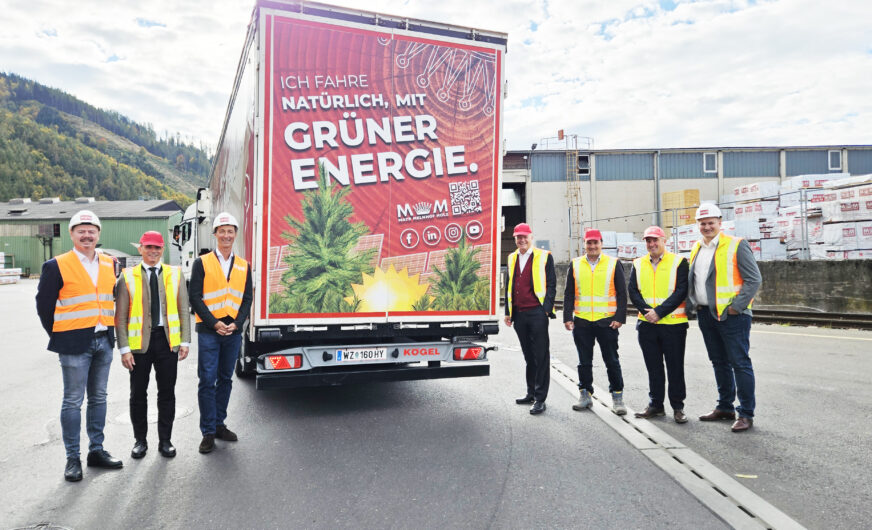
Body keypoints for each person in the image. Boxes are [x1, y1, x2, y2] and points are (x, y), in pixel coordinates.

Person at [35, 210, 123, 482]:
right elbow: (44, 306)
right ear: (72, 234)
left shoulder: (111, 264)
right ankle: (72, 458)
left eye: (92, 230)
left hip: (103, 341)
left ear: (98, 234)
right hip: (73, 343)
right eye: (81, 230)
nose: (87, 235)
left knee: (99, 398)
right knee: (73, 401)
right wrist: (61, 334)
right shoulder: (56, 265)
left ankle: (96, 451)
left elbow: (111, 299)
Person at [115, 231, 191, 459]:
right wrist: (124, 349)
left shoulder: (175, 274)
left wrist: (185, 340)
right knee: (138, 394)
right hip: (139, 346)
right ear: (140, 249)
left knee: (167, 393)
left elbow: (183, 310)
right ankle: (140, 441)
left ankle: (165, 440)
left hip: (167, 343)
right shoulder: (127, 277)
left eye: (157, 248)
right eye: (148, 247)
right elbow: (120, 317)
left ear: (162, 250)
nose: (153, 252)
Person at [688, 204, 762, 432]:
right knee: (718, 362)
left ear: (720, 222)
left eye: (711, 222)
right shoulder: (696, 248)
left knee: (739, 363)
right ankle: (725, 406)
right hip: (707, 314)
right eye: (703, 223)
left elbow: (754, 279)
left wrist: (736, 308)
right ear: (698, 225)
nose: (707, 226)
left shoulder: (736, 245)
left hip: (732, 317)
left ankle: (746, 413)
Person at [189, 212, 253, 453]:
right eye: (222, 231)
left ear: (235, 235)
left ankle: (219, 424)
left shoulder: (244, 265)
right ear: (215, 234)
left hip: (233, 331)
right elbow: (195, 297)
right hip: (209, 330)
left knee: (225, 379)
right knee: (207, 380)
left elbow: (247, 298)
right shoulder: (201, 262)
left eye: (230, 231)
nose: (226, 235)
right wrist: (214, 323)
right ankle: (207, 431)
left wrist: (237, 323)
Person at [628, 226, 689, 423]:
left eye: (655, 240)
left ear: (664, 241)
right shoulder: (638, 264)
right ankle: (656, 405)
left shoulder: (679, 262)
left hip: (673, 324)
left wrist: (659, 312)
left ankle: (678, 407)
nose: (652, 244)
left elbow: (681, 290)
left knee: (675, 367)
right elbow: (633, 291)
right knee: (653, 367)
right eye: (648, 240)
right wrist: (648, 312)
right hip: (647, 325)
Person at [563, 229, 627, 415]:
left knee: (612, 360)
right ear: (584, 244)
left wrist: (619, 318)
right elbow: (569, 293)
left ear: (601, 243)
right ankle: (585, 395)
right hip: (582, 322)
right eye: (589, 243)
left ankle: (617, 398)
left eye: (595, 243)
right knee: (584, 362)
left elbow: (622, 293)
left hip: (606, 322)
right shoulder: (575, 264)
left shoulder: (613, 263)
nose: (592, 246)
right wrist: (568, 317)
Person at [504, 223, 556, 415]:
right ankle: (531, 393)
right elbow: (509, 285)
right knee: (529, 357)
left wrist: (546, 309)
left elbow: (551, 284)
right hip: (520, 314)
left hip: (537, 313)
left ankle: (541, 399)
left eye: (524, 236)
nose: (521, 240)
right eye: (518, 237)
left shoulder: (544, 257)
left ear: (531, 237)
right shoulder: (511, 258)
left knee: (541, 356)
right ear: (515, 239)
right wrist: (508, 312)